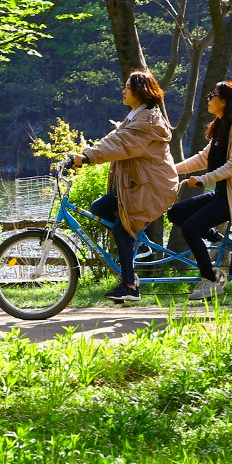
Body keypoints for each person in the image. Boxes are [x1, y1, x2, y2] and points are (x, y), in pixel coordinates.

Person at [65, 70, 179, 303]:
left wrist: (86, 157)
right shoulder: (136, 117)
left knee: (120, 228)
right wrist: (84, 155)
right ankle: (134, 240)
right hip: (137, 185)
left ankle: (129, 284)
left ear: (140, 91)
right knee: (99, 208)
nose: (123, 90)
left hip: (151, 187)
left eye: (128, 87)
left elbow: (121, 144)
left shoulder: (148, 122)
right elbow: (112, 139)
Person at [169, 80, 232, 301]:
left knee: (190, 228)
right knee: (175, 213)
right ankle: (217, 241)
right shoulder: (222, 126)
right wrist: (171, 171)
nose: (208, 99)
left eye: (211, 96)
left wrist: (202, 180)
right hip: (223, 194)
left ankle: (210, 281)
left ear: (223, 101)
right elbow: (203, 158)